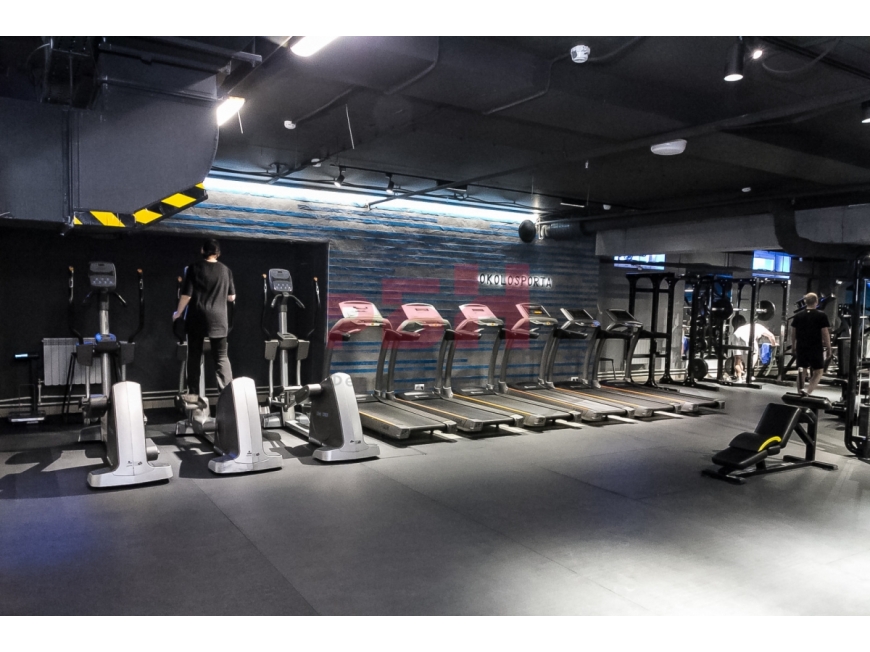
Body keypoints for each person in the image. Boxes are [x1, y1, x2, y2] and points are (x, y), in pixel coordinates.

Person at [172, 238, 236, 400]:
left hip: (197, 318)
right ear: (218, 253)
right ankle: (228, 395)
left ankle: (193, 394)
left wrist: (178, 313)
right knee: (221, 357)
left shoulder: (193, 268)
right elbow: (231, 297)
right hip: (219, 319)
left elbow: (186, 295)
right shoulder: (226, 270)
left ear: (202, 251)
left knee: (194, 356)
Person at [791, 292, 832, 396]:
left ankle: (800, 392)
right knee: (819, 371)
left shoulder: (798, 316)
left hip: (801, 346)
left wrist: (793, 346)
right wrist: (829, 348)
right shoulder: (821, 315)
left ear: (805, 302)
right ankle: (808, 392)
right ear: (816, 301)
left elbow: (793, 332)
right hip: (815, 347)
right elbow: (825, 332)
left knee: (802, 370)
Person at [729, 314, 777, 382]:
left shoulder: (746, 326)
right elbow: (771, 336)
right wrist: (773, 345)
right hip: (748, 337)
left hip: (736, 335)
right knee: (755, 353)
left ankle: (739, 378)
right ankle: (747, 374)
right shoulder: (760, 327)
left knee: (738, 360)